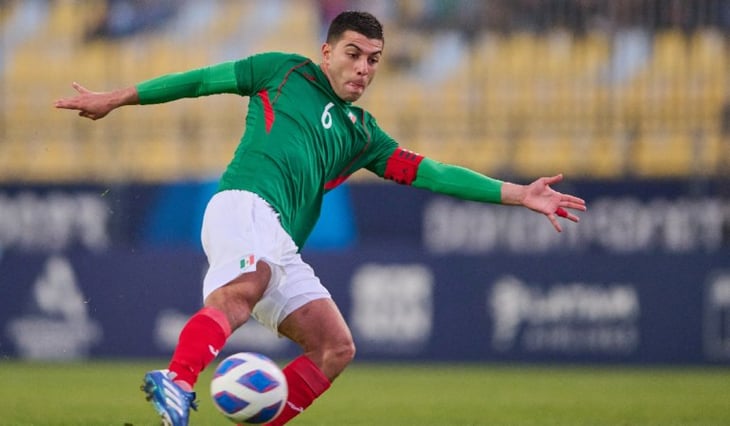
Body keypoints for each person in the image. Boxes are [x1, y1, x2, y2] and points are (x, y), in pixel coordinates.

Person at [55, 10, 587, 426]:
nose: (363, 68)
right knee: (244, 288)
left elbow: (431, 172)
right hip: (244, 203)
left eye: (374, 60)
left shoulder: (365, 136)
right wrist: (116, 98)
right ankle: (177, 378)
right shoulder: (282, 71)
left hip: (281, 241)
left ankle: (258, 416)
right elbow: (198, 81)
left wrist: (520, 193)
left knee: (336, 347)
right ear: (326, 52)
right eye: (353, 54)